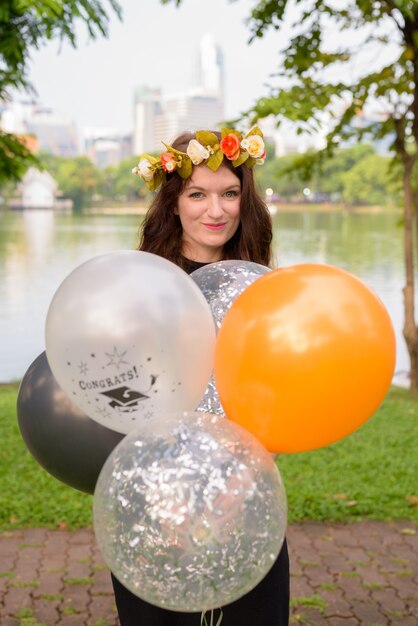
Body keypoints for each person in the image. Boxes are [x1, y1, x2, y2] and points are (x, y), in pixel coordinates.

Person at [111, 128, 290, 626]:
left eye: (230, 193)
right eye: (198, 194)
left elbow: (279, 400)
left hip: (245, 497)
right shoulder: (140, 286)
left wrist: (229, 495)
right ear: (173, 203)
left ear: (244, 199)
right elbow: (124, 396)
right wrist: (168, 500)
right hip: (156, 506)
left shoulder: (262, 290)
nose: (217, 210)